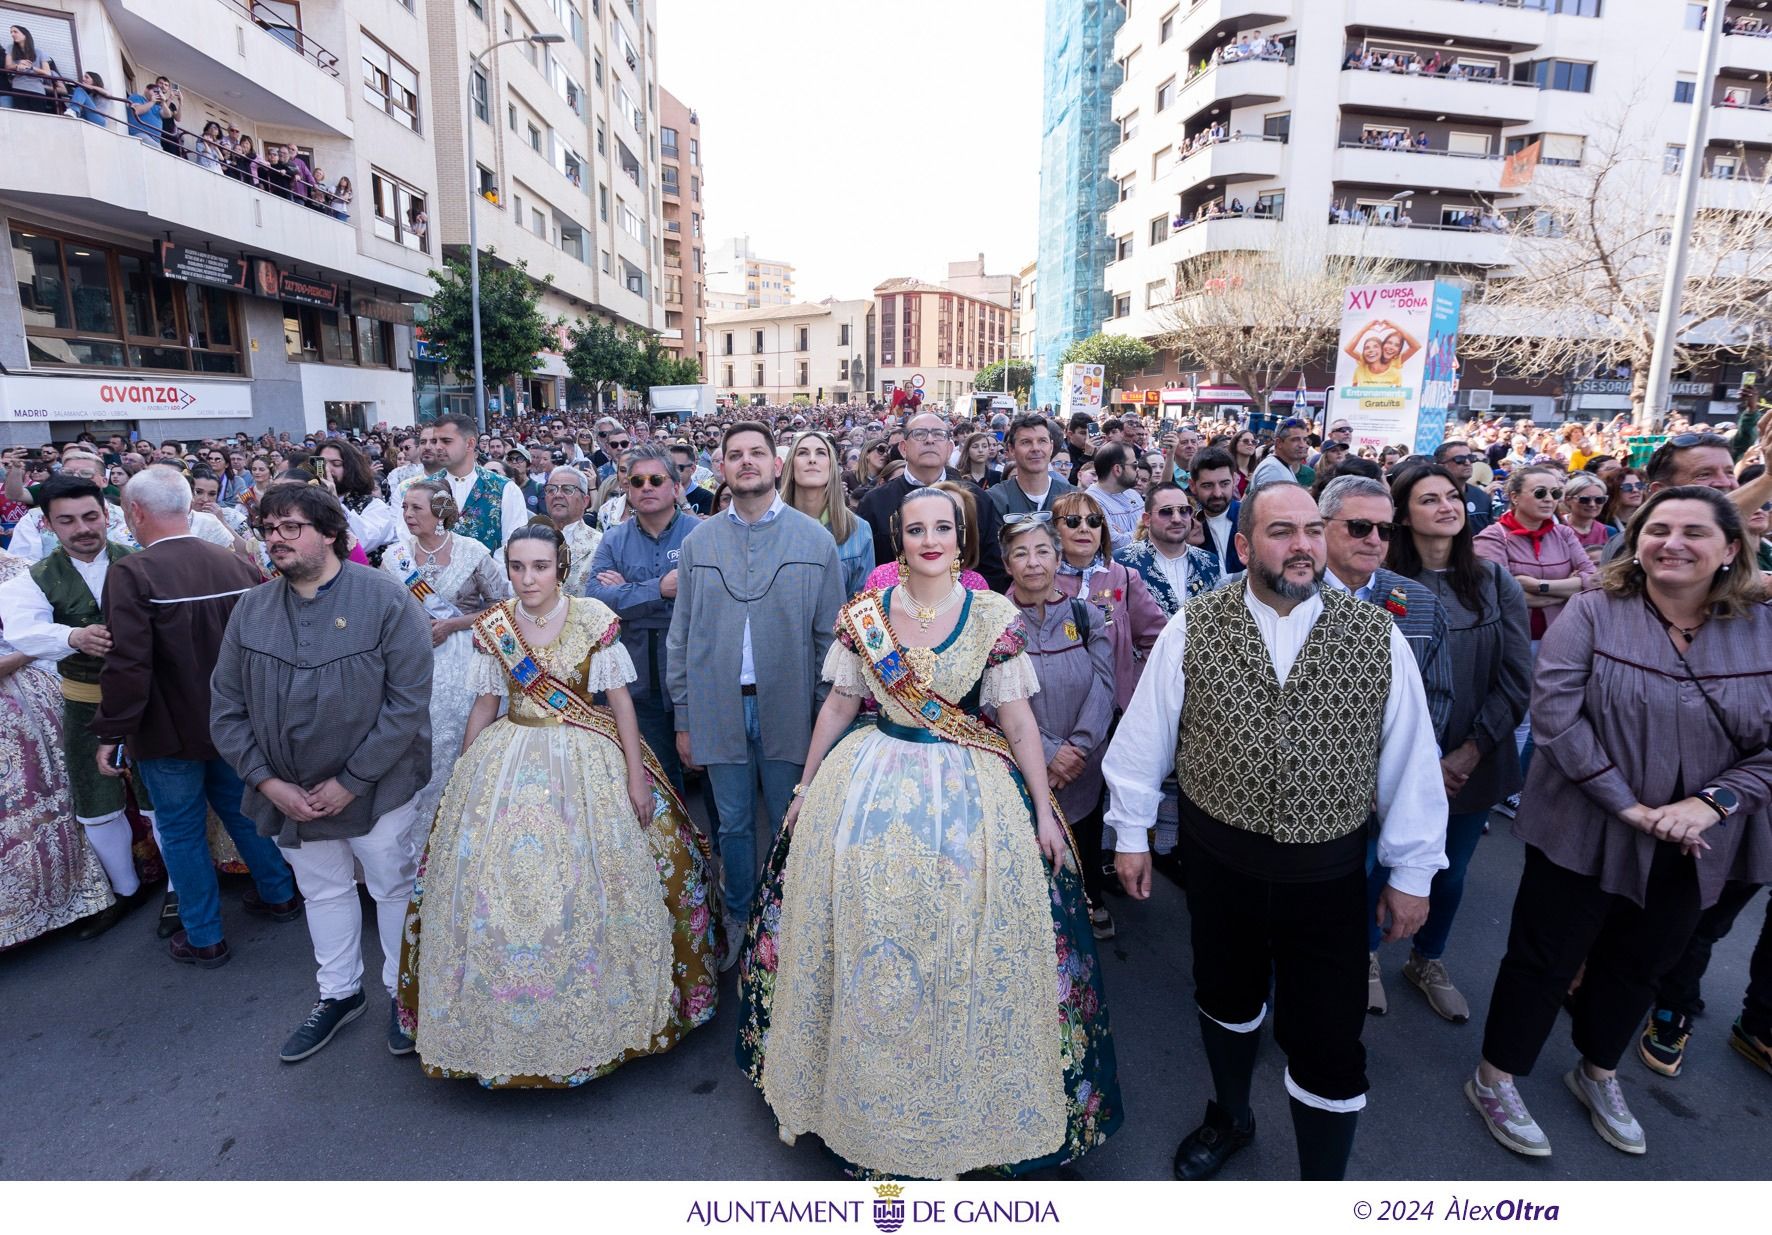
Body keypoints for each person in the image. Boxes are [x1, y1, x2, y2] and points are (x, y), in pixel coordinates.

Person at [735, 486, 1122, 1178]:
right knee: (866, 926)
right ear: (898, 538)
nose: (930, 539)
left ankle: (963, 1096)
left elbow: (1019, 720)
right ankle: (862, 1096)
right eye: (917, 529)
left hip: (970, 794)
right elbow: (838, 705)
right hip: (870, 778)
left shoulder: (992, 614)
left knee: (965, 936)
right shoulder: (866, 616)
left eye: (943, 527)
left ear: (961, 537)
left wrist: (1041, 806)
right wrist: (804, 787)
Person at [1103, 480, 1446, 1181]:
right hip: (1219, 862)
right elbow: (1144, 740)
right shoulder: (1194, 624)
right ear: (1242, 544)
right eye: (1282, 530)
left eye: (1313, 530)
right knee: (1224, 993)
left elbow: (1412, 762)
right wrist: (1132, 832)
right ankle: (1230, 1113)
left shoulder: (1375, 635)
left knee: (1328, 1037)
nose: (1302, 545)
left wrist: (1412, 872)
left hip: (1327, 877)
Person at [1466, 487, 1771, 1159]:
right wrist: (1628, 805)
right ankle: (1496, 1074)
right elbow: (1555, 715)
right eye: (1658, 528)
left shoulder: (1761, 624)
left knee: (1643, 962)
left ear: (1730, 549)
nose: (1673, 542)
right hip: (1584, 823)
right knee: (1543, 957)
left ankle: (1597, 1069)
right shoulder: (1596, 609)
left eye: (1695, 531)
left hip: (1698, 841)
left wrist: (1710, 803)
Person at [395, 523, 718, 1085]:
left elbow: (620, 705)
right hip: (509, 752)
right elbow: (485, 704)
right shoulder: (496, 626)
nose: (526, 579)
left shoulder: (593, 617)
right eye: (517, 567)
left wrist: (637, 778)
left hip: (586, 757)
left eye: (539, 567)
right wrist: (466, 772)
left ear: (560, 567)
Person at [210, 485, 432, 1063]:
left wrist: (351, 781)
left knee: (389, 885)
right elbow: (226, 708)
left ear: (329, 532)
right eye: (269, 528)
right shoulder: (252, 608)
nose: (275, 539)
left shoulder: (385, 599)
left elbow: (407, 705)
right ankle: (339, 995)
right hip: (290, 792)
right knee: (324, 892)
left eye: (290, 527)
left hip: (379, 786)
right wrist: (267, 782)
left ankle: (402, 996)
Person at [92, 466, 298, 967]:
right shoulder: (233, 564)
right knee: (243, 812)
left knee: (182, 830)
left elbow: (128, 662)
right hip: (234, 724)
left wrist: (112, 732)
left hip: (168, 729)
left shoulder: (132, 572)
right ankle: (280, 894)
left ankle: (205, 934)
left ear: (134, 512)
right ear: (187, 508)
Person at [666, 422, 842, 966]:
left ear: (776, 464)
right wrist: (685, 717)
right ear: (719, 467)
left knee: (795, 819)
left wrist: (824, 716)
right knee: (735, 825)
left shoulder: (815, 541)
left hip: (791, 708)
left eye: (757, 454)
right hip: (718, 706)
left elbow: (830, 640)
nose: (746, 462)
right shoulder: (698, 543)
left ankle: (789, 920)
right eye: (735, 454)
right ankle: (741, 920)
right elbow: (683, 634)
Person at [1367, 466, 1530, 1021]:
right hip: (1393, 759)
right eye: (1428, 498)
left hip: (1473, 760)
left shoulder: (1493, 580)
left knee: (1450, 872)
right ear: (1402, 515)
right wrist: (1418, 761)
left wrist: (1467, 752)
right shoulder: (1381, 585)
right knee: (1379, 865)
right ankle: (1365, 955)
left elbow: (1515, 678)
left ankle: (1427, 957)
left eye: (1454, 496)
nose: (1446, 506)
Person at [0, 476, 154, 938]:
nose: (83, 528)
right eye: (67, 521)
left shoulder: (138, 561)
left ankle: (179, 891)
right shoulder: (35, 577)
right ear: (48, 524)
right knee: (95, 802)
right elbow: (23, 630)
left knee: (160, 799)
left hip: (152, 700)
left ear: (107, 516)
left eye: (91, 517)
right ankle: (126, 892)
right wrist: (72, 636)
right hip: (85, 703)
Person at [1003, 513, 1119, 936]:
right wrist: (1050, 754)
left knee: (1086, 835)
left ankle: (1090, 897)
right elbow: (997, 701)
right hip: (1024, 762)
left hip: (1085, 764)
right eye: (1021, 553)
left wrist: (1079, 749)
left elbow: (1105, 686)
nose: (1033, 562)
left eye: (1042, 551)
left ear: (1058, 557)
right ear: (1007, 562)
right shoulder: (996, 621)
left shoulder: (1086, 614)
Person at [0, 545, 112, 948]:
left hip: (28, 697)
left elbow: (45, 630)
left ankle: (82, 894)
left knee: (60, 790)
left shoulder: (18, 569)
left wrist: (30, 649)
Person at [381, 480, 508, 831]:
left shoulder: (472, 551)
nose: (407, 515)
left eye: (416, 508)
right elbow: (381, 608)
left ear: (440, 512)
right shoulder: (396, 557)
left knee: (462, 744)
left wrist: (455, 624)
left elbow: (503, 607)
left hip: (467, 663)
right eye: (404, 507)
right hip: (412, 661)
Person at [1475, 465, 1598, 816]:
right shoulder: (1493, 537)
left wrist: (1539, 587)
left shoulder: (1563, 533)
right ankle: (1487, 788)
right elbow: (1500, 591)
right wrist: (1564, 589)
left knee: (1532, 716)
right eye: (1541, 493)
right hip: (1510, 640)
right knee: (1504, 711)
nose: (1550, 500)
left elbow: (1592, 578)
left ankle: (1506, 787)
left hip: (1558, 637)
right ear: (1514, 497)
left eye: (1556, 493)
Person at [588, 448, 697, 798]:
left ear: (676, 488)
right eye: (637, 481)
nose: (646, 487)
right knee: (656, 773)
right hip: (636, 673)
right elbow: (596, 600)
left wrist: (627, 593)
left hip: (695, 668)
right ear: (627, 490)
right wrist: (660, 590)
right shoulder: (613, 539)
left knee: (709, 774)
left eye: (656, 480)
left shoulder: (701, 535)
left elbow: (705, 600)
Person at [858, 411, 1007, 589]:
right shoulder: (874, 503)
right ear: (903, 448)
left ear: (949, 449)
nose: (930, 440)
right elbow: (865, 570)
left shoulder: (976, 499)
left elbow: (992, 568)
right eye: (920, 434)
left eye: (938, 434)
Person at [1049, 491, 1166, 714]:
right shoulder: (1038, 580)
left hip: (1113, 715)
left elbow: (1158, 640)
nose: (1084, 528)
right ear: (1054, 531)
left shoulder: (1124, 578)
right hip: (1057, 717)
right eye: (1073, 521)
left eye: (1094, 521)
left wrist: (1131, 689)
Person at [780, 429, 873, 598]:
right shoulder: (770, 525)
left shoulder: (859, 529)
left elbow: (861, 604)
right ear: (791, 467)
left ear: (832, 467)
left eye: (821, 453)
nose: (812, 459)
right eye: (802, 453)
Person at [1116, 479, 1222, 616]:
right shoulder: (1121, 562)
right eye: (1166, 511)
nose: (1177, 519)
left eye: (1184, 510)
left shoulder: (1209, 562)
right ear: (1147, 519)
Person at [427, 413, 528, 552]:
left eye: (446, 441)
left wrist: (490, 572)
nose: (437, 447)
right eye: (434, 441)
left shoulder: (505, 488)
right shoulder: (425, 488)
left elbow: (514, 544)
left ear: (469, 444)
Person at [318, 440, 397, 566]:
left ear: (351, 468)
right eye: (322, 463)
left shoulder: (374, 505)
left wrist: (332, 501)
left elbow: (364, 541)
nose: (327, 469)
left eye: (336, 464)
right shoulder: (310, 504)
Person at [1191, 448, 1245, 577]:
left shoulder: (1252, 517)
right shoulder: (1190, 527)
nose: (1217, 493)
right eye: (1207, 485)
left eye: (1224, 484)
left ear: (1235, 480)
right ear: (1193, 486)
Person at [1084, 442, 1145, 556]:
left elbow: (1154, 528)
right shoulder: (1091, 501)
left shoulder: (1134, 495)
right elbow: (1114, 542)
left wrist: (1126, 534)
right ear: (1117, 469)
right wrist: (1145, 533)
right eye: (1134, 465)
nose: (1138, 470)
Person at [1433, 439, 1494, 534]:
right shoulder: (1430, 498)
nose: (1467, 463)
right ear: (1441, 466)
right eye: (1459, 459)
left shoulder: (1482, 496)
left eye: (1471, 458)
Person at [1561, 472, 1615, 561]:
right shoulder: (1555, 528)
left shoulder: (1609, 532)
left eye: (1599, 499)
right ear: (1567, 500)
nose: (1592, 504)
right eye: (1584, 499)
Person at [1250, 419, 1311, 489]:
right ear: (1279, 442)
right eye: (1295, 440)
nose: (1303, 445)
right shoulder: (1271, 470)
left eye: (1305, 440)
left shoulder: (1279, 465)